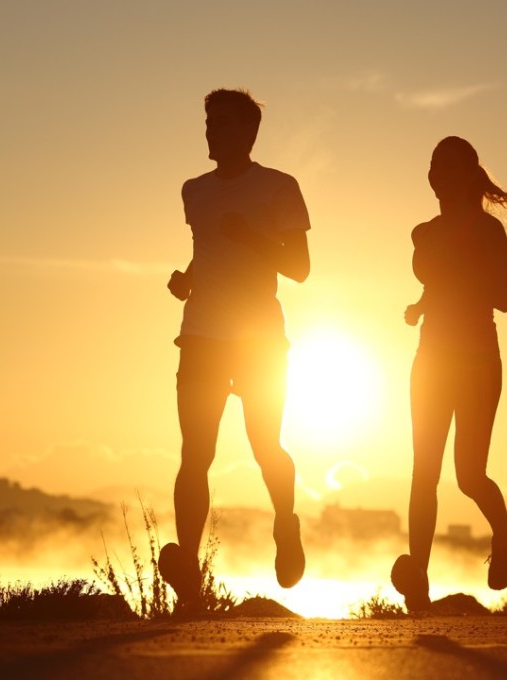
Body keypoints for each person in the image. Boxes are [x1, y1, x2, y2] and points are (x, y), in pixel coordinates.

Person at [159, 88, 311, 606]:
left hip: (258, 340)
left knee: (265, 447)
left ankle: (286, 526)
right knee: (195, 454)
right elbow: (209, 252)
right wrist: (188, 277)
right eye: (207, 121)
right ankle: (190, 586)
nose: (210, 130)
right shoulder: (194, 190)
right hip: (200, 335)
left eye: (220, 123)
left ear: (247, 133)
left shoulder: (279, 187)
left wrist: (252, 236)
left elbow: (300, 268)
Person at [391, 136, 507, 612]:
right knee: (423, 472)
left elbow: (504, 298)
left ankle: (505, 533)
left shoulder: (487, 232)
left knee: (468, 476)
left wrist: (456, 266)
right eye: (431, 165)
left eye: (445, 165)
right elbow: (438, 285)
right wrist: (420, 305)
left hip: (478, 363)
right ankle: (418, 587)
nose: (435, 173)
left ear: (468, 174)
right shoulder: (423, 232)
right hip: (430, 361)